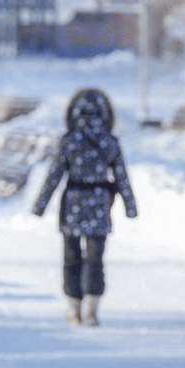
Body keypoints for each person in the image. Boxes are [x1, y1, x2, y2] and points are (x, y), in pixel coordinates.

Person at [32, 87, 138, 326]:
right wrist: (130, 206)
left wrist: (40, 205)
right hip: (100, 204)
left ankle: (74, 308)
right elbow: (122, 176)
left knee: (71, 258)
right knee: (95, 259)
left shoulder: (68, 141)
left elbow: (54, 175)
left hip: (73, 205)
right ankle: (92, 308)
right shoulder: (110, 141)